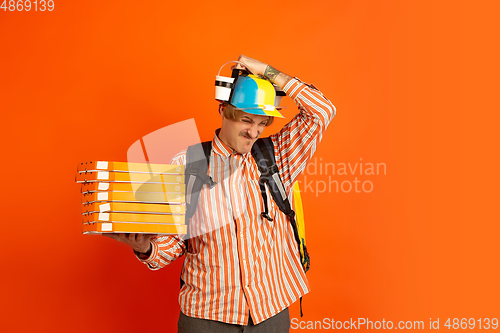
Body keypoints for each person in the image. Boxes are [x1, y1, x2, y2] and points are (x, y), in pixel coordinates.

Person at [105, 55, 336, 332]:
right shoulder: (187, 164)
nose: (253, 132)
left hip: (271, 312)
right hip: (207, 317)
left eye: (262, 123)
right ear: (224, 110)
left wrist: (267, 72)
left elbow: (322, 110)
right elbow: (175, 242)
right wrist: (147, 249)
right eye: (246, 120)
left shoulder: (279, 156)